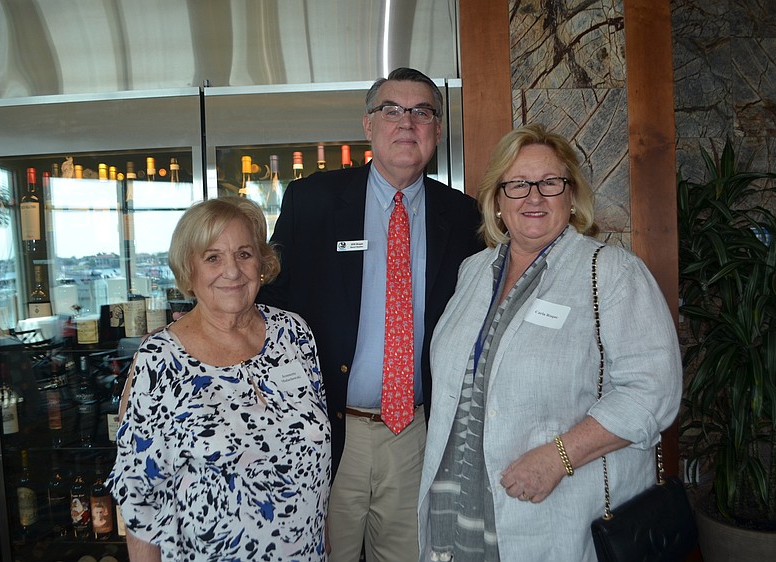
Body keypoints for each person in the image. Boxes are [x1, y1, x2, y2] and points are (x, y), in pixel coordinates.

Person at [417, 124, 682, 561]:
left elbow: (653, 391)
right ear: (497, 200)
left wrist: (559, 457)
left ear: (571, 195)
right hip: (462, 501)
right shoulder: (474, 271)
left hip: (560, 509)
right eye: (518, 184)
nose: (534, 197)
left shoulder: (612, 272)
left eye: (550, 183)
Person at [257, 67, 484, 561]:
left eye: (421, 112)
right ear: (368, 125)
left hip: (416, 435)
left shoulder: (464, 215)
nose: (407, 122)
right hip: (327, 431)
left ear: (437, 130)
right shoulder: (313, 202)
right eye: (392, 109)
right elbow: (266, 301)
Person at [110, 197, 331, 562]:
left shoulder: (294, 334)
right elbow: (140, 499)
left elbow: (315, 466)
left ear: (261, 263)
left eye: (244, 254)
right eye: (213, 257)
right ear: (189, 270)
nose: (232, 271)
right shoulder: (159, 359)